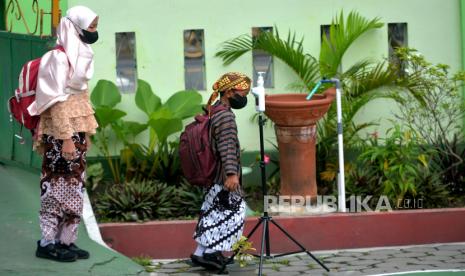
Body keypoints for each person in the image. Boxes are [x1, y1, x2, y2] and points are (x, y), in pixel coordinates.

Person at [28, 6, 99, 262]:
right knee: (55, 189)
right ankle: (47, 242)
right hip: (59, 135)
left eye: (94, 26)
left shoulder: (80, 55)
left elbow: (81, 100)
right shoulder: (56, 58)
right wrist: (67, 137)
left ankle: (66, 241)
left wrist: (85, 133)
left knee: (75, 188)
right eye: (90, 26)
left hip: (75, 134)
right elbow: (55, 102)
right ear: (76, 26)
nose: (94, 31)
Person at [191, 72, 251, 270]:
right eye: (242, 93)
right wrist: (232, 174)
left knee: (213, 212)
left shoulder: (214, 110)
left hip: (212, 174)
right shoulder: (225, 116)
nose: (244, 97)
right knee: (234, 211)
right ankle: (211, 253)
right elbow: (226, 146)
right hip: (221, 175)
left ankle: (200, 253)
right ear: (229, 92)